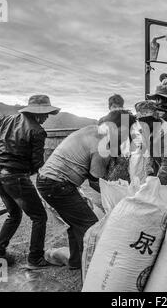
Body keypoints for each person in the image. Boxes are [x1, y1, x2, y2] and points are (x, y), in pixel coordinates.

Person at [37, 110, 137, 270]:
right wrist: (122, 196)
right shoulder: (101, 147)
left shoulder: (93, 129)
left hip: (48, 181)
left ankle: (76, 261)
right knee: (90, 226)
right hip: (57, 185)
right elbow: (95, 181)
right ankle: (90, 270)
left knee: (74, 223)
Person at [0, 95, 60, 269]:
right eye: (45, 114)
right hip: (17, 178)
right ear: (36, 113)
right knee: (39, 217)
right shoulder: (37, 131)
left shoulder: (7, 121)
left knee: (14, 214)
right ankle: (35, 259)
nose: (46, 117)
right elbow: (37, 164)